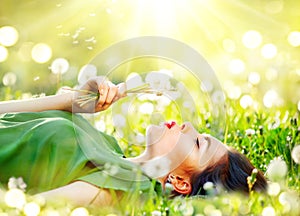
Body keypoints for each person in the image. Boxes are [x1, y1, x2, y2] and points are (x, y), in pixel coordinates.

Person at [0, 76, 267, 206]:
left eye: (198, 143)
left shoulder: (126, 186)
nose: (189, 126)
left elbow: (21, 209)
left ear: (181, 183)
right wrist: (74, 102)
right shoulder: (109, 149)